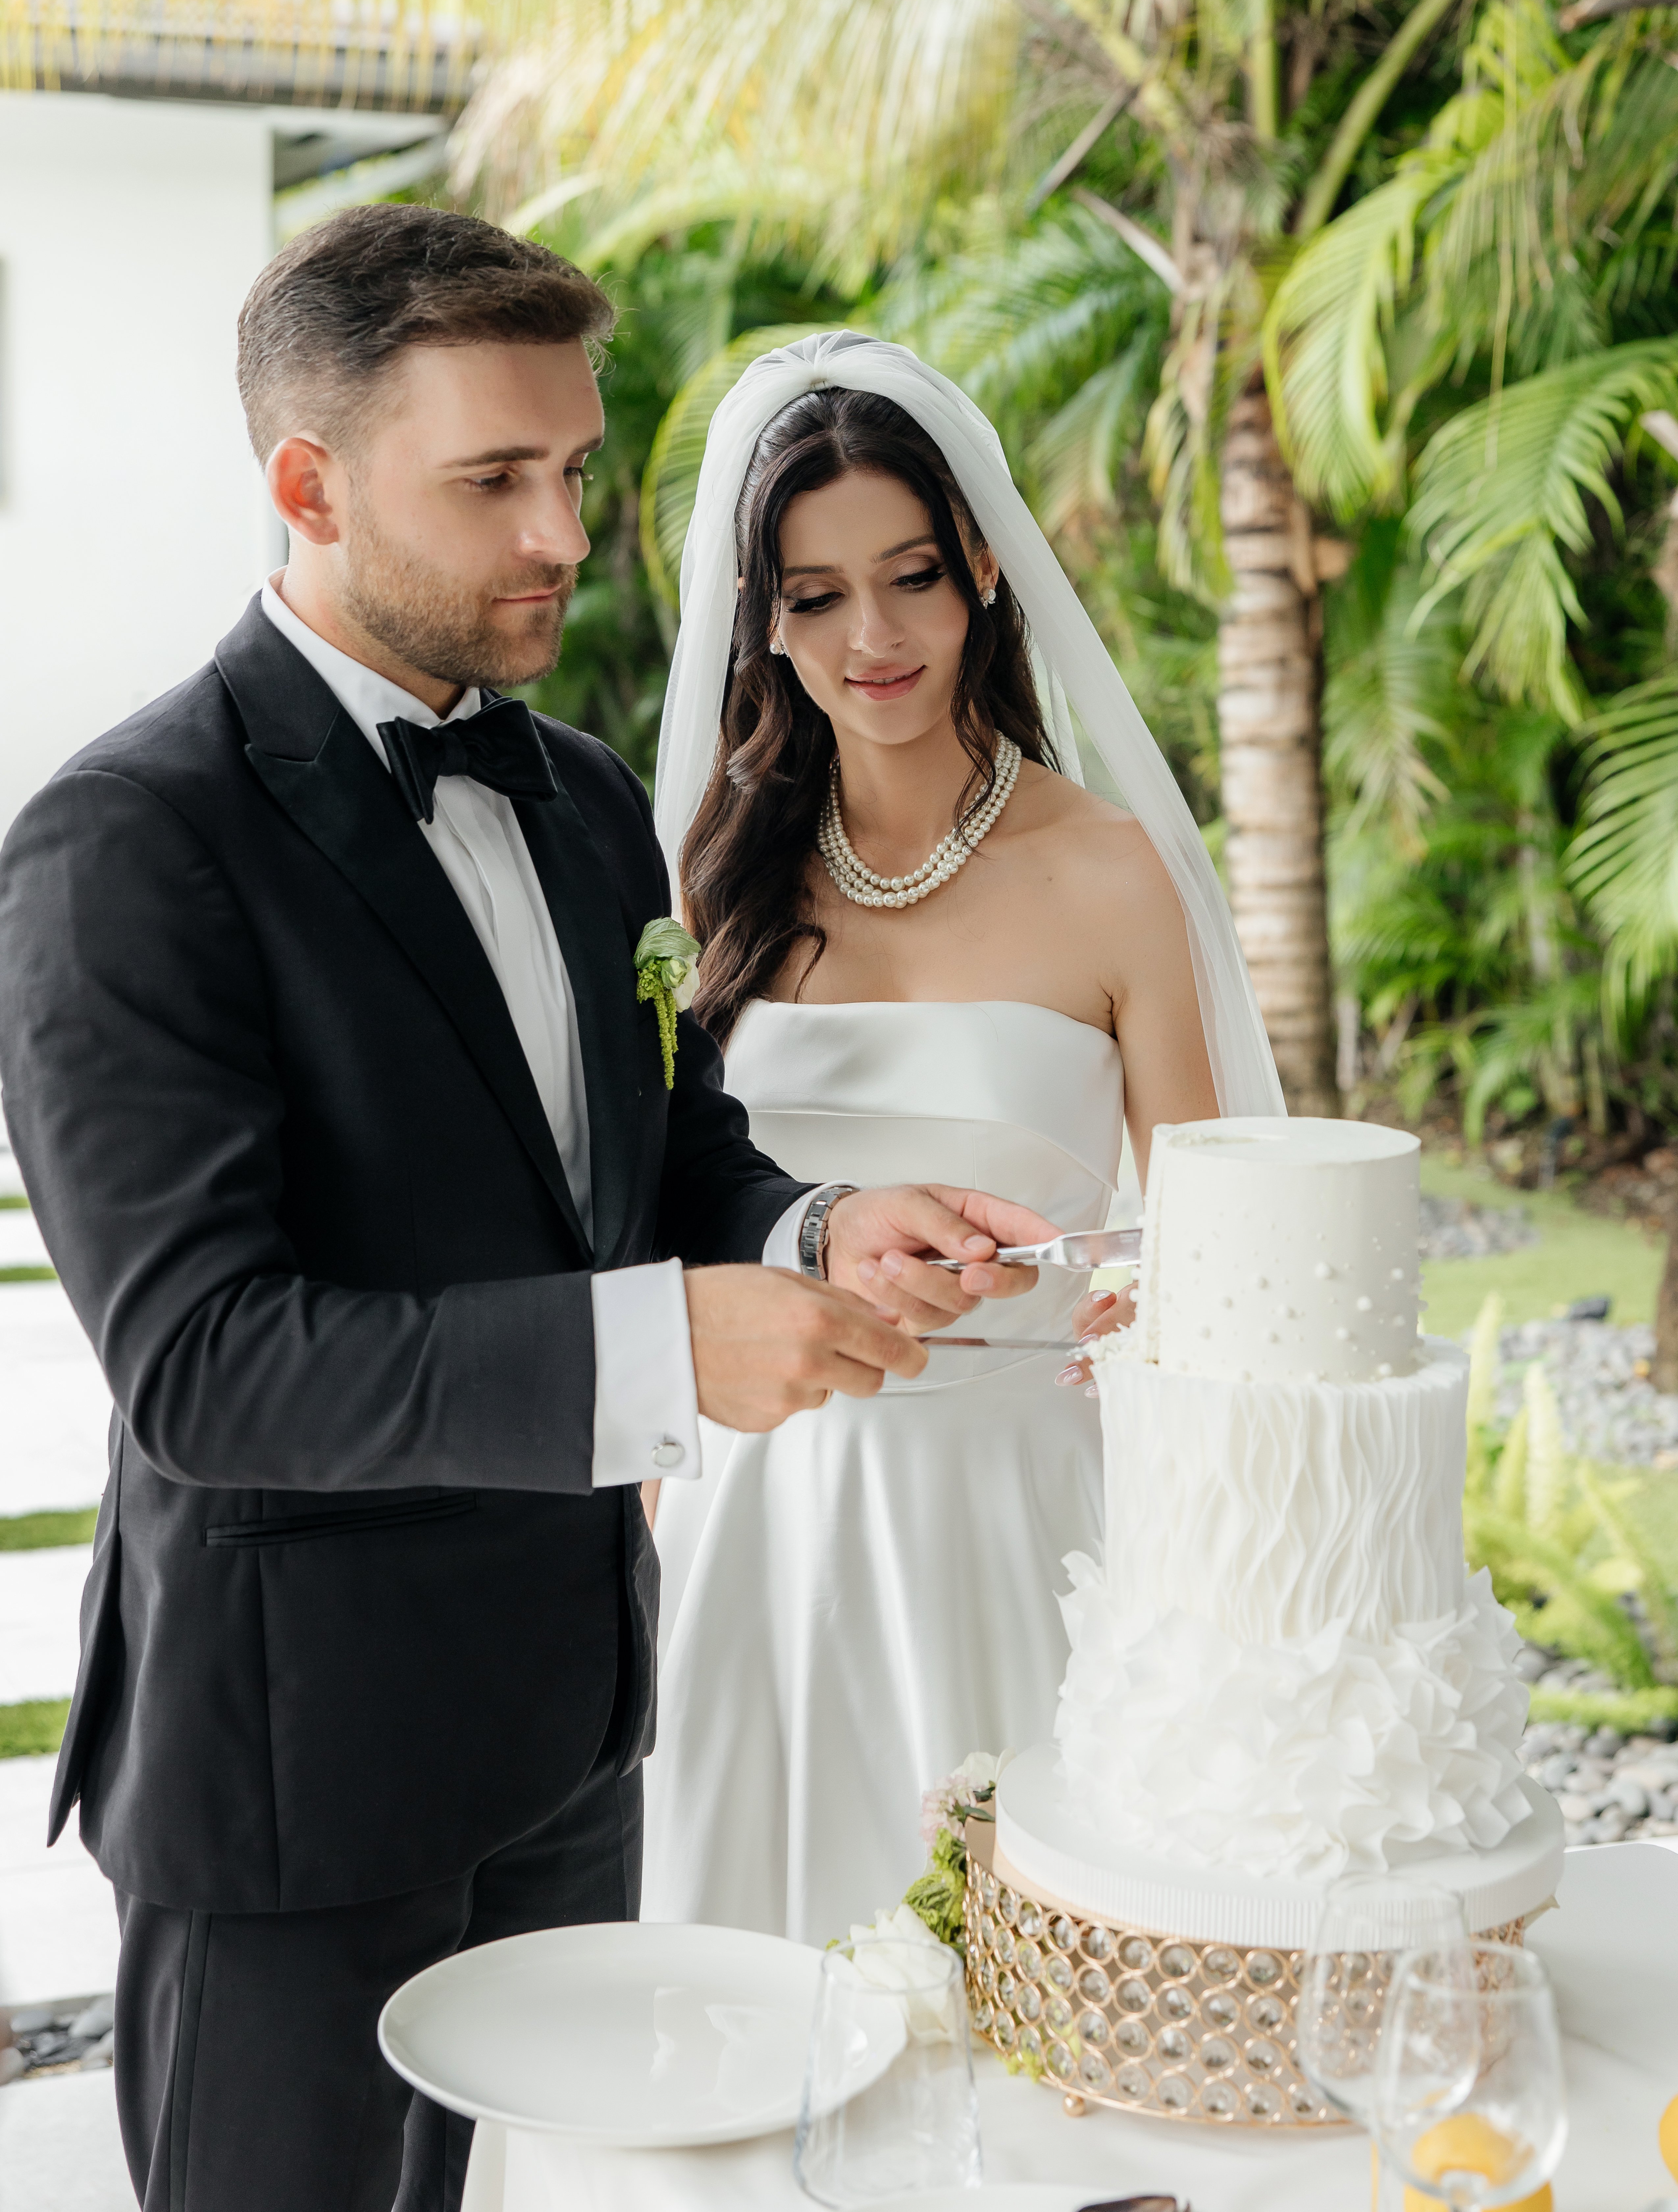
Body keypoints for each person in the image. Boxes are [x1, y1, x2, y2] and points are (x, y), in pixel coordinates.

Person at [0, 223, 1049, 2212]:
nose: (562, 535)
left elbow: (668, 1155)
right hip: (296, 1781)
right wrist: (666, 1347)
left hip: (575, 1737)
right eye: (494, 480)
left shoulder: (581, 799)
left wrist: (815, 1228)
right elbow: (205, 1364)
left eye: (572, 469)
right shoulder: (127, 840)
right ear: (309, 483)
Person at [641, 334, 1285, 1945]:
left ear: (984, 569)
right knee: (746, 1973)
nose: (873, 637)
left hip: (1019, 1504)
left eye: (912, 577)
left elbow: (1218, 1236)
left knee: (1032, 1977)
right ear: (762, 619)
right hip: (758, 1512)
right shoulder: (706, 879)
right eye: (815, 596)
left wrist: (1139, 1301)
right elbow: (655, 1202)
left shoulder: (1112, 869)